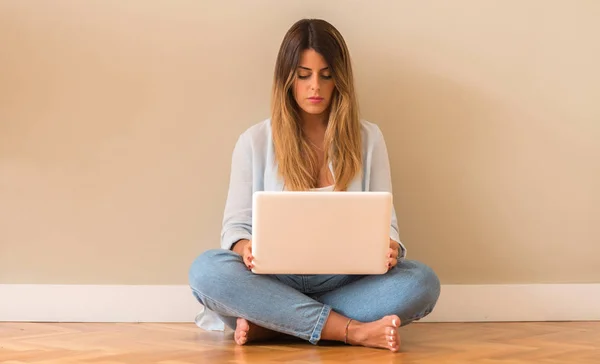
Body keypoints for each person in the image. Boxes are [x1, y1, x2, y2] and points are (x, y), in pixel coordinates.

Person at [188, 18, 440, 352]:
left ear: (340, 79)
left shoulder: (369, 139)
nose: (315, 88)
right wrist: (245, 248)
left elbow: (387, 224)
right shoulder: (254, 141)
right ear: (286, 79)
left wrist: (390, 247)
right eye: (303, 75)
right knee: (207, 270)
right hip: (273, 280)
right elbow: (235, 228)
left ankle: (277, 324)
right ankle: (349, 330)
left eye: (326, 75)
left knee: (422, 282)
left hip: (346, 281)